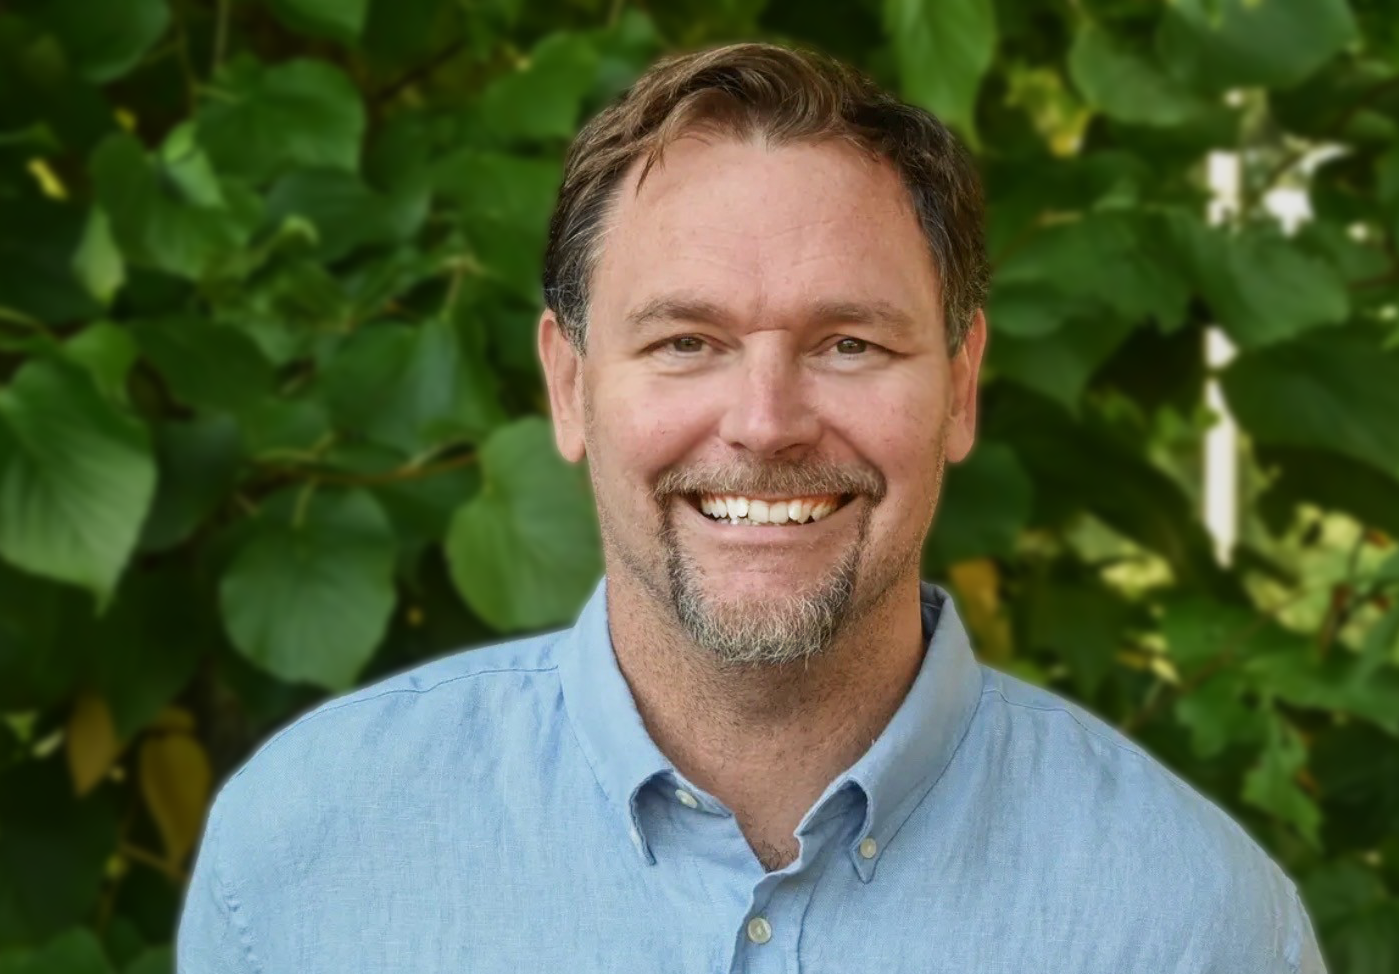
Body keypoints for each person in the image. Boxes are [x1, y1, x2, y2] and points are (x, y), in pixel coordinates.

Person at [177, 42, 1326, 973]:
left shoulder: (1188, 920)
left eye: (848, 342)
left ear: (960, 386)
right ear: (568, 387)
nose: (766, 422)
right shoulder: (305, 851)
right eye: (686, 341)